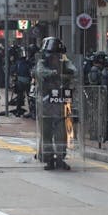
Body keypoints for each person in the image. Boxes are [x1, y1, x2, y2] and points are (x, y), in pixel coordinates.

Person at [35, 37, 76, 170]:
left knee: (61, 133)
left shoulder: (64, 62)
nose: (54, 57)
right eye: (51, 54)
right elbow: (40, 72)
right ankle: (48, 159)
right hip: (46, 102)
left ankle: (60, 158)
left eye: (56, 54)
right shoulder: (42, 63)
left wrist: (65, 73)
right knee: (46, 133)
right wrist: (55, 73)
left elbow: (74, 70)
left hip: (61, 102)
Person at [12, 47, 32, 116]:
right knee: (29, 97)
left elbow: (13, 71)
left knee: (20, 97)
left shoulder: (18, 63)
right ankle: (31, 110)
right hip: (27, 82)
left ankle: (18, 110)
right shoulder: (28, 62)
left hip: (20, 82)